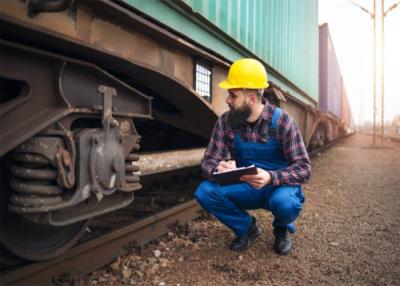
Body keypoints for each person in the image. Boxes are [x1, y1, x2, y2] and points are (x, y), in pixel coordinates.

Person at [194, 58, 311, 255]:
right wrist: (219, 169)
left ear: (251, 99)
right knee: (205, 192)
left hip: (277, 187)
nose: (227, 100)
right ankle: (247, 228)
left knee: (286, 203)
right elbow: (208, 161)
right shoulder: (226, 122)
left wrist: (272, 177)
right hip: (246, 186)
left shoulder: (283, 122)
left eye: (233, 95)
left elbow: (304, 168)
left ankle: (281, 227)